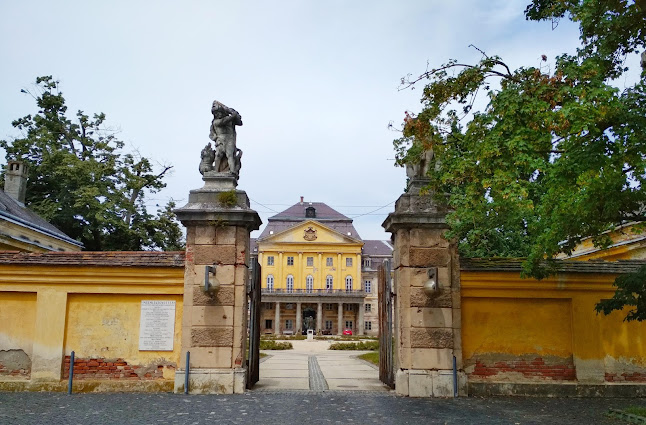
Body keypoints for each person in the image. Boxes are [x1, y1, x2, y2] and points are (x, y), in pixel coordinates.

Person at [209, 101, 243, 175]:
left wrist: (229, 110)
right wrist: (231, 112)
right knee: (218, 155)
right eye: (216, 114)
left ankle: (232, 171)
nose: (217, 115)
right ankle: (216, 171)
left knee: (229, 155)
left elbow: (240, 122)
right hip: (220, 140)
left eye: (218, 113)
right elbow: (225, 121)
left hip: (229, 139)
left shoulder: (230, 120)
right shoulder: (216, 122)